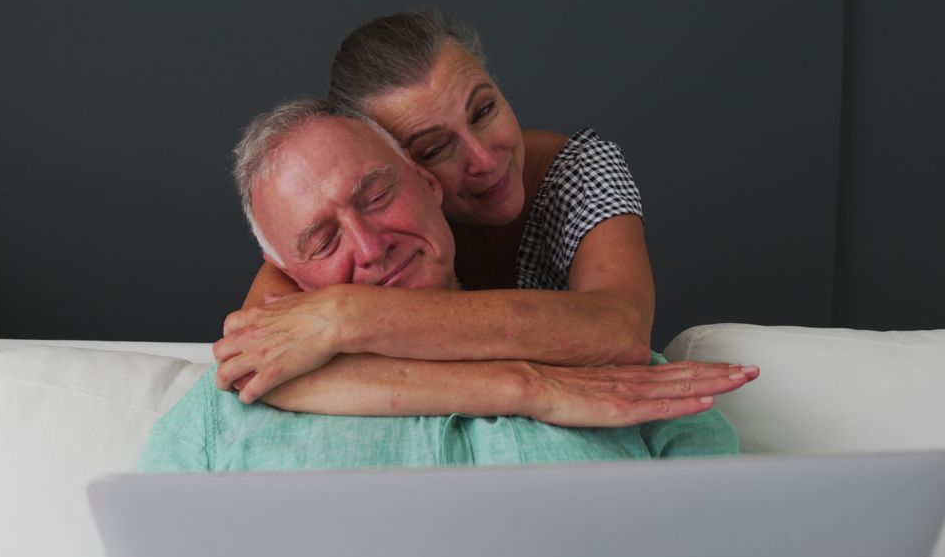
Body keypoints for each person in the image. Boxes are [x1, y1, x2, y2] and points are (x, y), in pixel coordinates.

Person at [139, 100, 755, 474]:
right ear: (289, 277)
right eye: (323, 242)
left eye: (377, 196)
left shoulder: (625, 381)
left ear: (430, 186)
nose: (371, 247)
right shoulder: (218, 419)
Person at [212, 12, 691, 426]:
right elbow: (261, 370)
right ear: (397, 161)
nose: (484, 158)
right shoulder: (345, 230)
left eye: (483, 110)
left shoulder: (580, 170)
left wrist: (349, 316)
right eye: (435, 147)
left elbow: (620, 331)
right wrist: (517, 388)